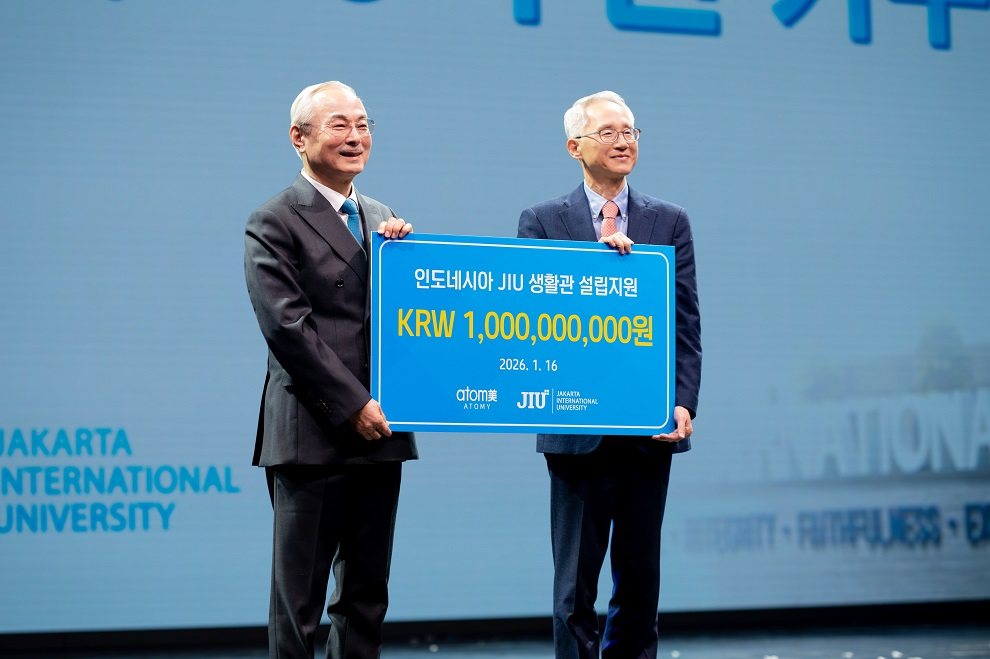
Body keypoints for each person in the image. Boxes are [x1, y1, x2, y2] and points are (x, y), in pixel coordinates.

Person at [517, 91, 702, 659]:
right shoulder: (542, 220)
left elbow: (685, 321)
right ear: (575, 147)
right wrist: (594, 266)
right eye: (608, 133)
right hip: (577, 431)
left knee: (641, 581)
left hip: (648, 427)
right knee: (575, 587)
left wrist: (683, 402)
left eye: (630, 132)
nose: (623, 142)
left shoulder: (669, 219)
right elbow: (528, 317)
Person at [244, 81, 417, 659]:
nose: (355, 137)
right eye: (339, 124)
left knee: (366, 597)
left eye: (363, 124)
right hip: (313, 434)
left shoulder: (385, 218)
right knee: (300, 604)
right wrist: (353, 405)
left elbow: (410, 320)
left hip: (382, 431)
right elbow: (287, 328)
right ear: (299, 138)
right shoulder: (274, 220)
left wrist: (409, 260)